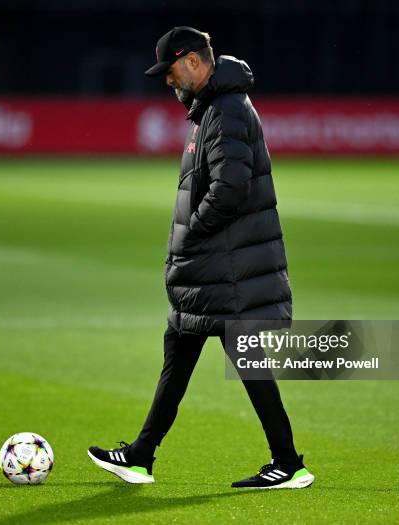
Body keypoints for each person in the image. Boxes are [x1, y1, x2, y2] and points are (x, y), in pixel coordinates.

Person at [88, 26, 314, 490]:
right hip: (214, 269)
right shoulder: (212, 108)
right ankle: (141, 455)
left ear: (192, 61)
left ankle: (288, 463)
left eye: (170, 72)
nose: (168, 82)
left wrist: (192, 236)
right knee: (181, 351)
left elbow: (231, 187)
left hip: (225, 267)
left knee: (239, 360)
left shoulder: (226, 109)